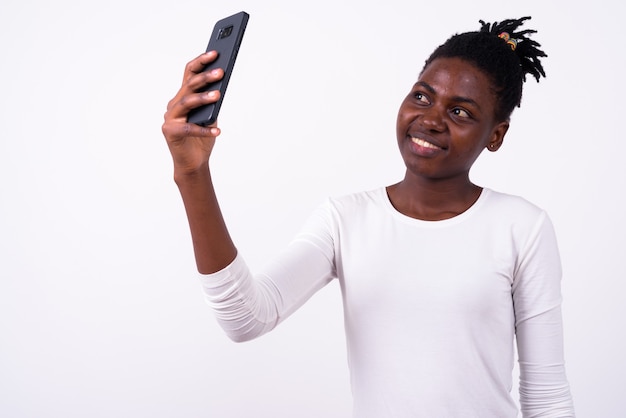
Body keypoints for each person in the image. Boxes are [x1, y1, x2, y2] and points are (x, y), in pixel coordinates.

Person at [162, 16, 575, 417]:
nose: (431, 119)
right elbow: (245, 318)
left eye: (461, 112)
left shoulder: (522, 227)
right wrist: (192, 172)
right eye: (422, 96)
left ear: (496, 135)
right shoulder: (345, 219)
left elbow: (547, 398)